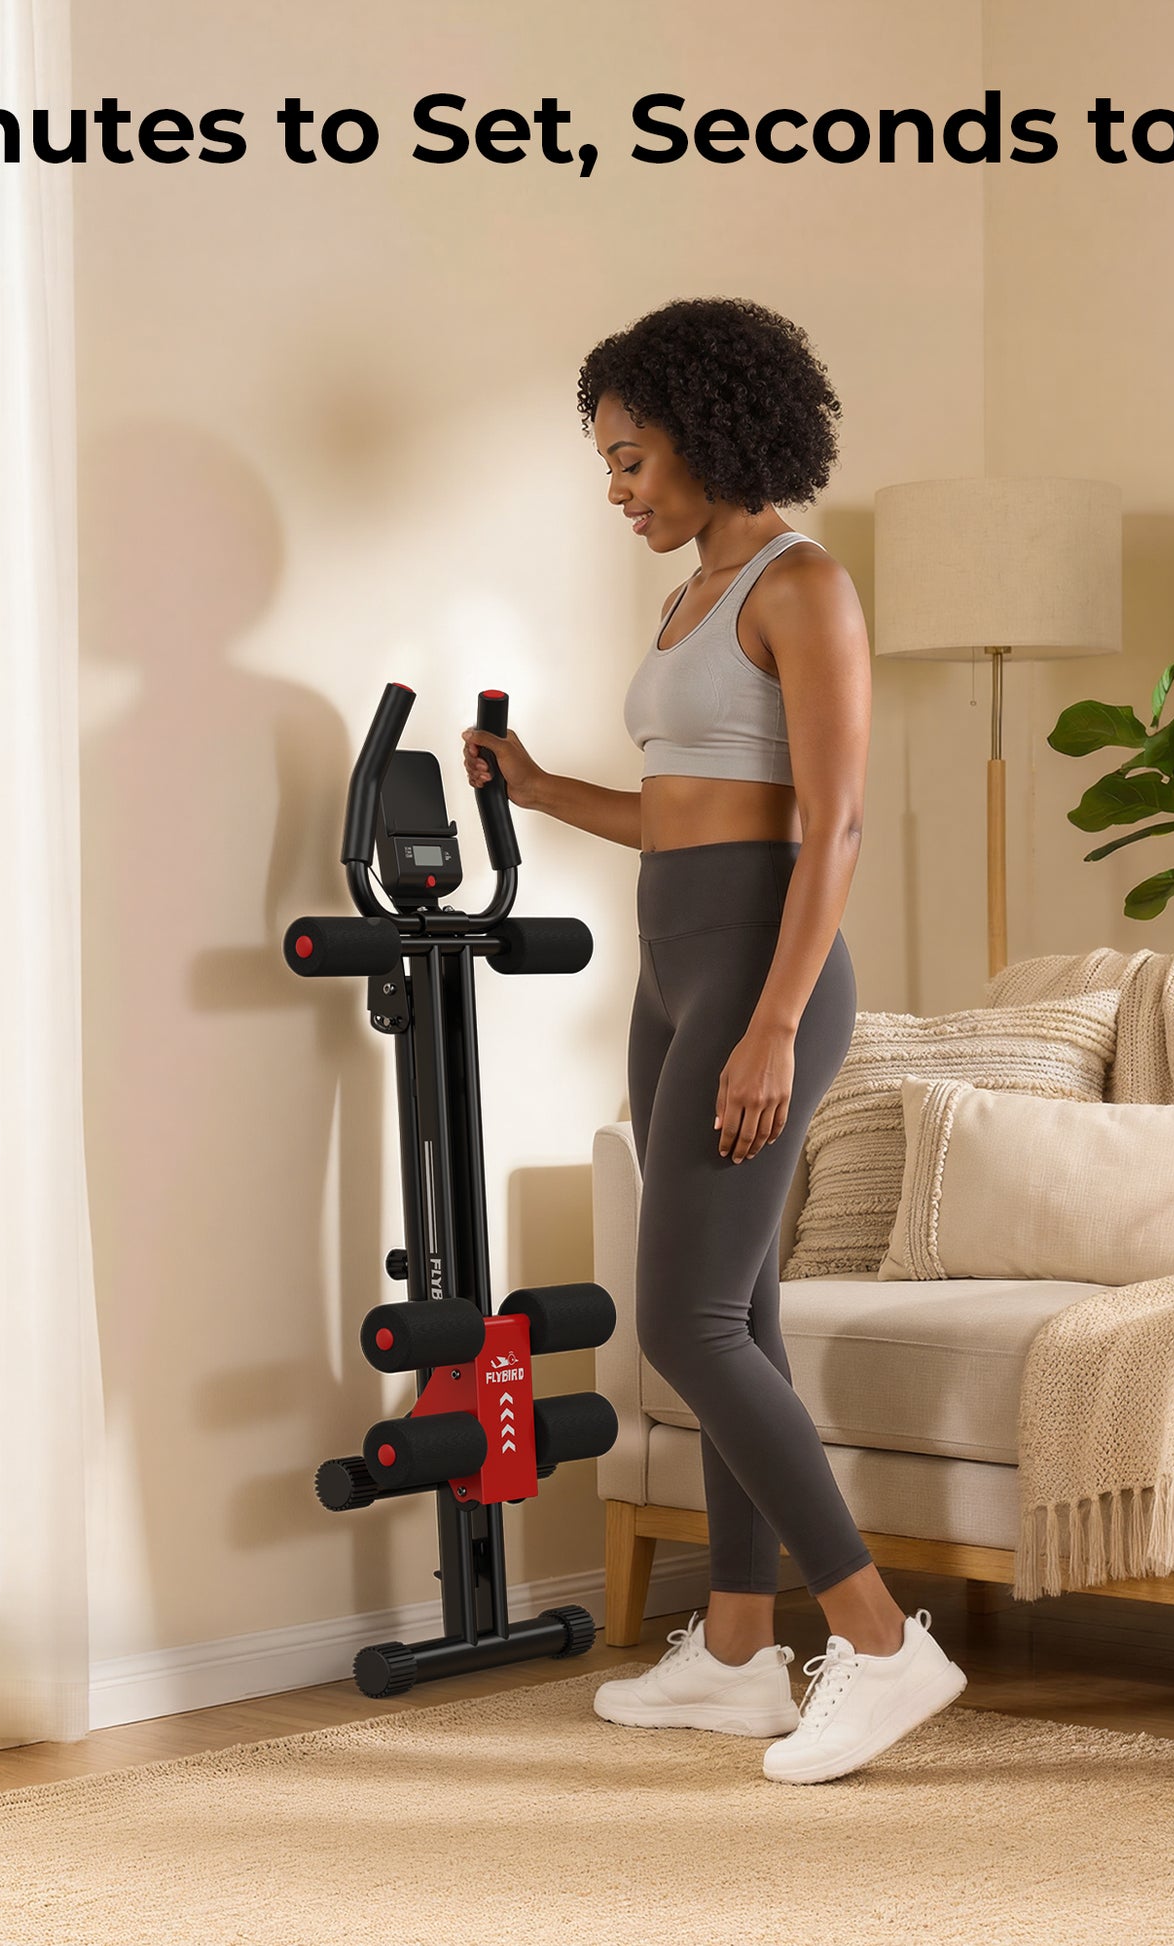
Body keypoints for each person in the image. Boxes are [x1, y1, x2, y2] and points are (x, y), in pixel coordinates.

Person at [460, 296, 965, 1784]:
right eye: (604, 463)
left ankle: (880, 1643)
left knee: (681, 1319)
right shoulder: (691, 594)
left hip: (759, 972)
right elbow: (687, 810)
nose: (614, 488)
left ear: (708, 429)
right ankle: (739, 1652)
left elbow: (832, 825)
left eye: (630, 458)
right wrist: (547, 791)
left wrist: (772, 1024)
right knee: (740, 1315)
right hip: (670, 956)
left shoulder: (803, 586)